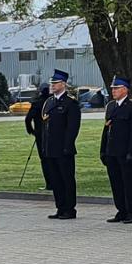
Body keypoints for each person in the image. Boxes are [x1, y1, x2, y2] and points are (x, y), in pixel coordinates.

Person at [34, 69, 82, 219]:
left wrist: (67, 146)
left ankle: (69, 208)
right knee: (55, 179)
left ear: (63, 84)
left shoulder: (70, 103)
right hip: (50, 149)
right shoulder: (49, 102)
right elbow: (45, 126)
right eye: (52, 83)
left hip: (63, 149)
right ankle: (60, 207)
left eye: (55, 83)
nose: (52, 85)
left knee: (66, 179)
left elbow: (72, 127)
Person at [100, 77, 132, 223]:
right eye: (112, 88)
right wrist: (103, 150)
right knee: (116, 183)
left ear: (125, 89)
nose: (113, 91)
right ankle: (121, 210)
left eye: (116, 88)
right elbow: (106, 130)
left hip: (125, 151)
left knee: (128, 183)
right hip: (112, 151)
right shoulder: (111, 106)